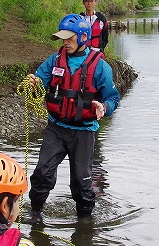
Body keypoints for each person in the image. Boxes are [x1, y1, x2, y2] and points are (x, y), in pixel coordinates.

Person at [26, 14, 120, 220]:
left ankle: (85, 224)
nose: (64, 42)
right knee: (42, 173)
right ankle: (35, 214)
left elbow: (113, 98)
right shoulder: (54, 60)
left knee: (81, 182)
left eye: (69, 37)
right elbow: (40, 84)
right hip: (56, 128)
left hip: (84, 132)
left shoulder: (101, 66)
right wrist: (34, 85)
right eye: (62, 38)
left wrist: (104, 107)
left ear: (83, 37)